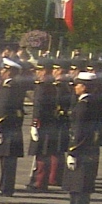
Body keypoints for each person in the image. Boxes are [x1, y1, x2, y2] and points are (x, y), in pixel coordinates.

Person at [60, 71, 102, 204]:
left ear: (84, 87)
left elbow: (78, 132)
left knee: (78, 189)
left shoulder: (84, 106)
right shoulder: (93, 103)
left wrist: (72, 152)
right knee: (80, 189)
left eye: (77, 85)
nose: (75, 88)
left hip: (81, 152)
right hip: (90, 152)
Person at [0, 58, 25, 196]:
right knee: (8, 161)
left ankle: (5, 188)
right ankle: (5, 186)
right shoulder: (17, 86)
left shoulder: (8, 88)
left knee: (7, 161)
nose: (1, 72)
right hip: (14, 127)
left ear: (10, 71)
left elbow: (3, 109)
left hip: (6, 128)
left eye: (4, 70)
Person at [27, 60, 61, 191]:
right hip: (49, 123)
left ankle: (39, 182)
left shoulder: (43, 86)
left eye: (40, 70)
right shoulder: (49, 85)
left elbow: (39, 107)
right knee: (43, 152)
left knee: (42, 153)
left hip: (43, 123)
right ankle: (39, 180)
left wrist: (35, 123)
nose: (38, 73)